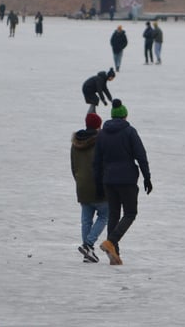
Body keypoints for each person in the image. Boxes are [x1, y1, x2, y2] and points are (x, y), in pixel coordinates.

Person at [93, 99, 152, 265]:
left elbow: (96, 162)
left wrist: (98, 183)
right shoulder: (130, 132)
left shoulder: (102, 134)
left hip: (108, 180)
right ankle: (111, 242)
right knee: (130, 213)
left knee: (113, 214)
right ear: (125, 116)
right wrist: (147, 177)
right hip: (126, 180)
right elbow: (141, 155)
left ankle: (114, 255)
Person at [72, 112, 109, 263]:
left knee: (86, 220)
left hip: (82, 186)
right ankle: (88, 245)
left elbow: (73, 167)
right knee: (104, 215)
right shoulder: (101, 142)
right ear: (98, 126)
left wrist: (79, 181)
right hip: (98, 186)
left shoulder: (75, 144)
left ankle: (88, 253)